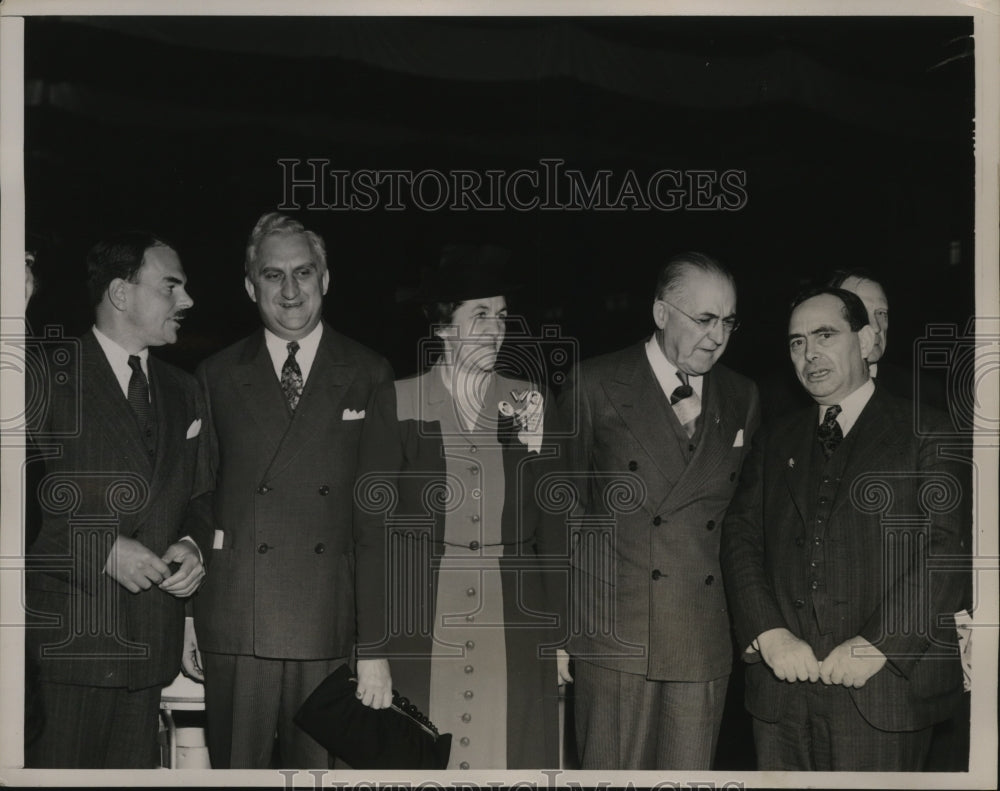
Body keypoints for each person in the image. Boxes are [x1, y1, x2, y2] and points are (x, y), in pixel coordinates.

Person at [720, 287, 968, 771]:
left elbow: (946, 551)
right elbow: (739, 537)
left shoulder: (929, 432)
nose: (809, 353)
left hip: (884, 695)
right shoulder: (775, 438)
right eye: (796, 342)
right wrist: (769, 633)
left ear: (867, 341)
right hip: (780, 697)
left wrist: (880, 644)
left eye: (825, 335)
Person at [188, 212, 393, 769]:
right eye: (273, 275)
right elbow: (199, 499)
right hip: (237, 621)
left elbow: (377, 524)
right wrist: (187, 614)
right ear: (250, 285)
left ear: (326, 279)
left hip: (327, 622)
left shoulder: (370, 373)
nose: (291, 290)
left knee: (319, 780)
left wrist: (373, 646)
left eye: (304, 272)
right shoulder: (215, 373)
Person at [353, 245, 569, 769]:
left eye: (500, 315)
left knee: (508, 756)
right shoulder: (397, 402)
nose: (496, 329)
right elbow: (372, 534)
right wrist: (372, 652)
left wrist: (564, 637)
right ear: (444, 329)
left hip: (516, 620)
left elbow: (557, 526)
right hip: (417, 619)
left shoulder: (530, 401)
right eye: (480, 315)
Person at [558, 251, 760, 769]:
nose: (717, 336)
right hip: (616, 633)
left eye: (728, 321)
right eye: (704, 319)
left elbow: (741, 521)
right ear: (661, 313)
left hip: (701, 635)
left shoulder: (743, 396)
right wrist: (559, 632)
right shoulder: (595, 383)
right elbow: (563, 513)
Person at [25, 231, 211, 768]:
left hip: (149, 652)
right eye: (171, 286)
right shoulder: (43, 377)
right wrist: (100, 548)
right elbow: (13, 509)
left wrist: (193, 544)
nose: (188, 302)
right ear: (121, 294)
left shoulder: (185, 389)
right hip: (68, 652)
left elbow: (201, 493)